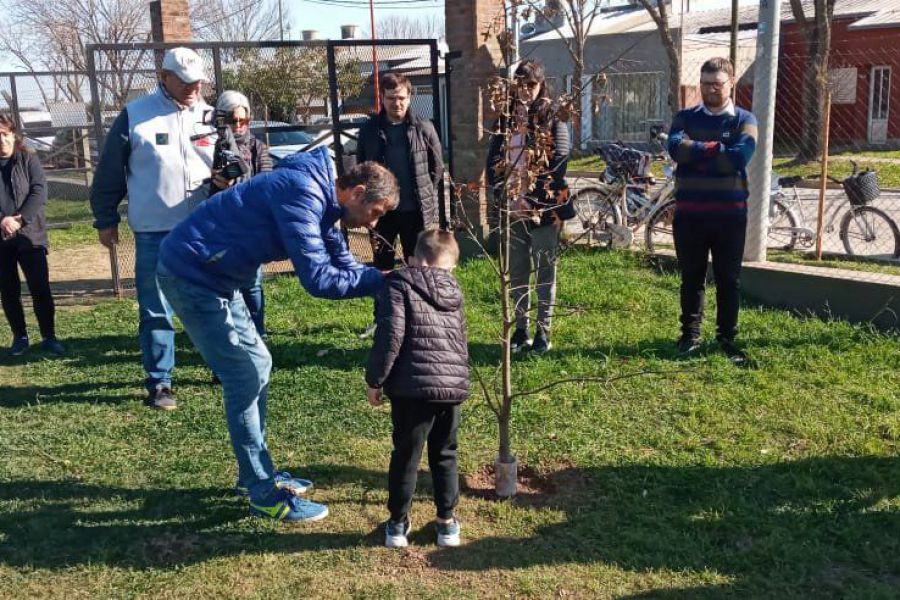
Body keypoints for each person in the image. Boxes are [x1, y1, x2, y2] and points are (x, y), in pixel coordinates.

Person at [157, 147, 398, 522]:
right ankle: (262, 492)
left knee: (260, 364)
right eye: (375, 212)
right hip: (192, 274)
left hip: (221, 278)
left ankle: (255, 474)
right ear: (356, 192)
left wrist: (382, 279)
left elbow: (340, 258)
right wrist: (379, 281)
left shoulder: (324, 199)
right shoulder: (303, 192)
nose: (373, 224)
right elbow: (317, 278)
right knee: (245, 375)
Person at [91, 47, 215, 410]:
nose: (194, 87)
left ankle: (221, 363)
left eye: (198, 81)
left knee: (212, 300)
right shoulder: (135, 116)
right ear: (164, 77)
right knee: (156, 308)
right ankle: (160, 382)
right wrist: (105, 218)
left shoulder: (210, 115)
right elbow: (110, 173)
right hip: (154, 232)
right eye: (185, 81)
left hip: (205, 230)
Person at [365, 229, 469, 549]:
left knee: (407, 455)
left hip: (412, 389)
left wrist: (375, 379)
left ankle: (397, 524)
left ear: (412, 258)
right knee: (445, 453)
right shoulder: (455, 289)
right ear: (451, 266)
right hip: (450, 388)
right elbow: (460, 341)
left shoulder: (399, 284)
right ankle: (447, 523)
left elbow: (390, 336)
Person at [667, 57, 758, 365]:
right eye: (704, 84)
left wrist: (698, 150)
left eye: (716, 84)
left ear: (730, 83)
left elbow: (737, 159)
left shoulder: (745, 120)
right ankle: (689, 335)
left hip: (730, 216)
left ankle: (726, 337)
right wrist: (717, 147)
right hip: (690, 215)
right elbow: (675, 149)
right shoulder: (684, 116)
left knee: (728, 279)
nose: (709, 90)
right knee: (691, 277)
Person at [486, 58, 572, 355]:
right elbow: (493, 160)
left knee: (545, 270)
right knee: (518, 270)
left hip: (543, 207)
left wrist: (532, 195)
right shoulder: (505, 118)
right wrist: (500, 193)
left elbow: (560, 159)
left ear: (541, 84)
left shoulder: (551, 116)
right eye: (520, 85)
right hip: (512, 207)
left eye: (531, 85)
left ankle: (543, 332)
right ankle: (520, 329)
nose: (526, 91)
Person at [357, 72, 444, 271]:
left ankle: (415, 301)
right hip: (381, 211)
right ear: (382, 98)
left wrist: (424, 191)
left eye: (401, 98)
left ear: (409, 97)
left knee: (417, 265)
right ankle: (385, 301)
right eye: (391, 98)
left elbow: (436, 168)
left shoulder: (424, 128)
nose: (397, 103)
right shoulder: (369, 130)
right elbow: (361, 169)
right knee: (382, 266)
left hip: (415, 211)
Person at [209, 90, 272, 339]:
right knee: (224, 284)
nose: (237, 126)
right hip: (220, 225)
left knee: (253, 283)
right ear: (222, 119)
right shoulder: (212, 147)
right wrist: (219, 185)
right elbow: (204, 191)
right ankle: (230, 332)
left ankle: (258, 331)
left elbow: (267, 183)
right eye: (232, 120)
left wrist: (239, 188)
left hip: (250, 223)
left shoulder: (258, 147)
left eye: (242, 121)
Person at [0, 114, 64, 357]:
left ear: (13, 135)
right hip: (1, 238)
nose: (2, 141)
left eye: (5, 134)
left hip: (31, 235)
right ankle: (20, 337)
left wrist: (20, 219)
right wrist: (3, 221)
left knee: (40, 288)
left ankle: (49, 336)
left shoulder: (28, 158)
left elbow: (39, 190)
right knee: (8, 290)